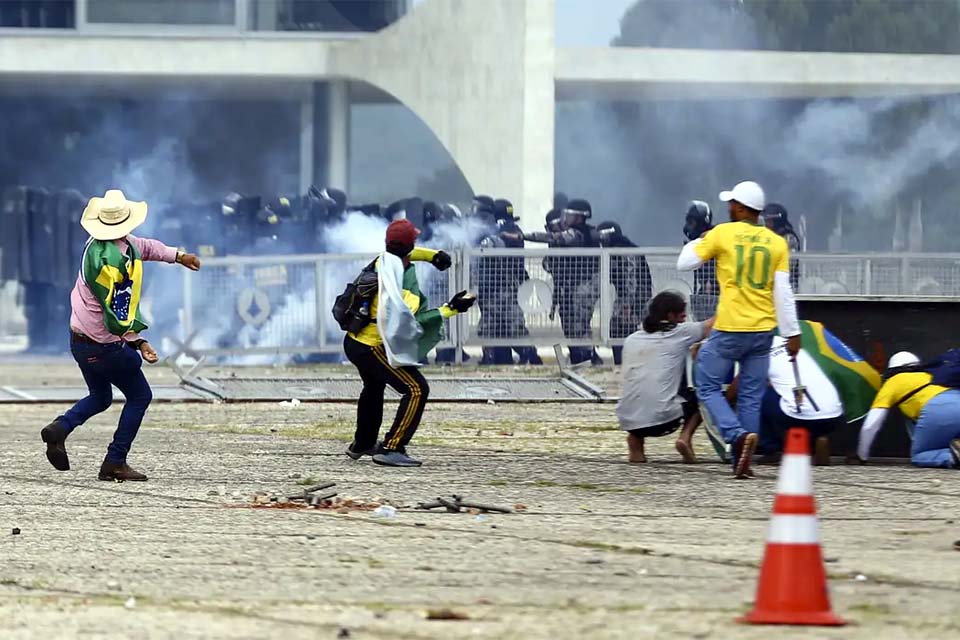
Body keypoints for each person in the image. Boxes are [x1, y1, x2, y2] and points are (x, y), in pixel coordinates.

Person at [39, 189, 201, 481]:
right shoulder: (107, 266)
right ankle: (115, 460)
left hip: (79, 341)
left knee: (100, 396)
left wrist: (177, 256)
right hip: (103, 345)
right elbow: (117, 314)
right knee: (140, 394)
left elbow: (146, 247)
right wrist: (139, 342)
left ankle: (60, 429)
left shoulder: (104, 244)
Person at [678, 180, 801, 479]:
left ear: (742, 208)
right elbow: (783, 292)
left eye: (731, 203)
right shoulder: (776, 242)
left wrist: (702, 239)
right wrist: (792, 334)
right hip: (763, 331)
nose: (728, 207)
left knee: (706, 384)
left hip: (731, 327)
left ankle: (734, 435)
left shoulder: (723, 233)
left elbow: (685, 263)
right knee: (750, 396)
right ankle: (741, 460)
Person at [343, 219, 475, 467]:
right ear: (409, 245)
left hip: (354, 341)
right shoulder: (402, 283)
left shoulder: (383, 259)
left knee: (373, 387)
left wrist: (433, 256)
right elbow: (411, 322)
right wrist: (451, 309)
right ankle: (392, 447)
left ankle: (362, 443)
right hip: (371, 347)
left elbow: (406, 251)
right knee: (416, 389)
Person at [617, 291, 712, 464]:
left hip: (628, 420)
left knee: (644, 387)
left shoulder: (632, 338)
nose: (685, 319)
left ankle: (636, 447)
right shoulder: (680, 332)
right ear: (670, 316)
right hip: (664, 421)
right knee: (705, 395)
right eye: (682, 315)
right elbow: (715, 324)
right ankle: (685, 437)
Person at [524, 198, 601, 365]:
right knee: (571, 328)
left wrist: (522, 236)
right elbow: (549, 264)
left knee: (578, 328)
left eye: (570, 215)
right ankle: (580, 360)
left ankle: (587, 360)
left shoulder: (579, 234)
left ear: (579, 217)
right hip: (569, 289)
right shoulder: (575, 235)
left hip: (581, 288)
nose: (566, 218)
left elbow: (553, 238)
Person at [856, 352, 960, 469]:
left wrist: (862, 456)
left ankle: (951, 456)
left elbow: (871, 425)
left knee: (920, 455)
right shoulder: (934, 374)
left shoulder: (894, 381)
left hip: (937, 409)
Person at [757, 335, 845, 465]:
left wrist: (723, 399)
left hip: (798, 418)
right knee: (793, 395)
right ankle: (815, 442)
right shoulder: (795, 346)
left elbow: (742, 383)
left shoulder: (757, 353)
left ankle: (772, 450)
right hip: (835, 417)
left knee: (756, 394)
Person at [597, 221, 653, 365]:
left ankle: (626, 366)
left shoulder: (625, 251)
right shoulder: (620, 249)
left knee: (622, 331)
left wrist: (627, 305)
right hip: (631, 299)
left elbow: (630, 278)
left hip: (634, 301)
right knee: (619, 331)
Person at [683, 200, 719, 321]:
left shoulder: (714, 237)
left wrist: (709, 285)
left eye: (692, 222)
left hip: (716, 290)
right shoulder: (697, 242)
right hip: (704, 289)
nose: (688, 226)